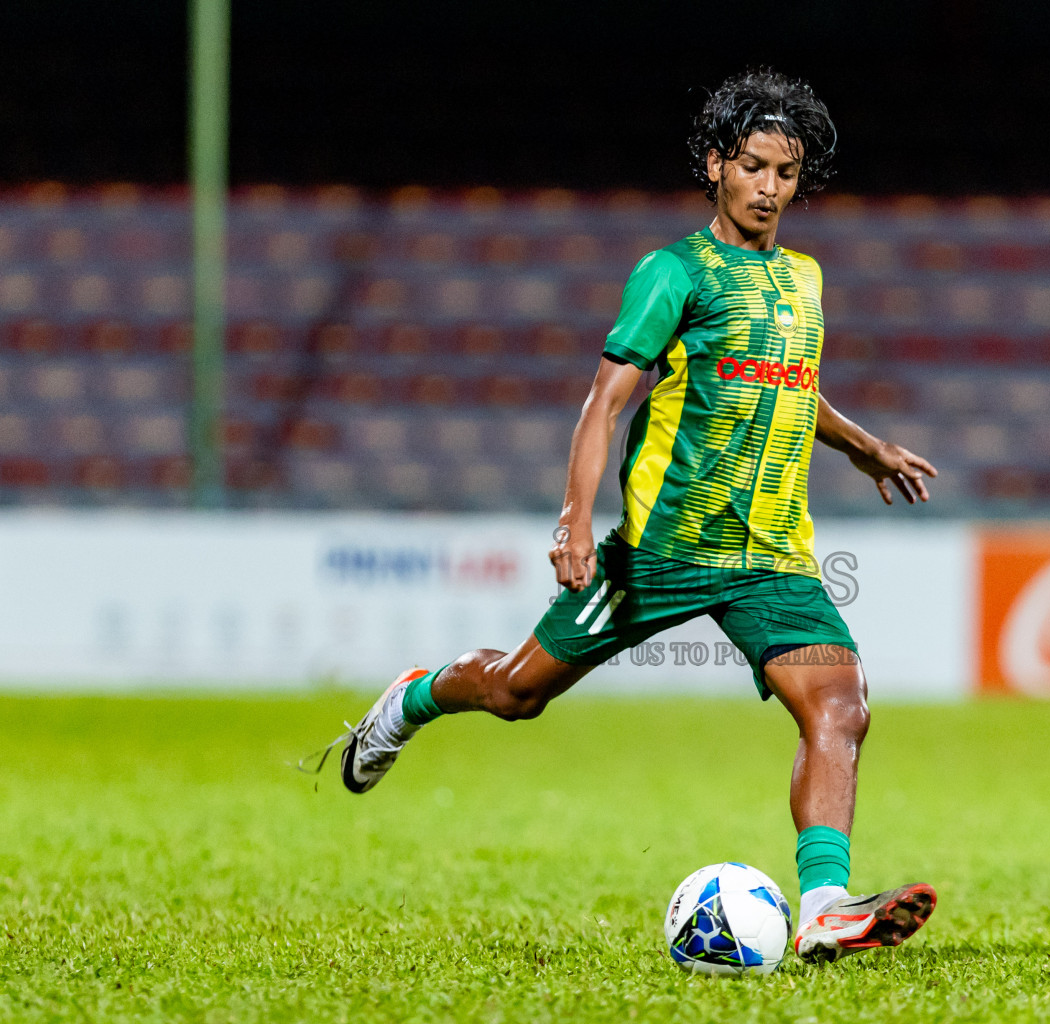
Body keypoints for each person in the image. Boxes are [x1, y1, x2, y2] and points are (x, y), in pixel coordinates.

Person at [328, 68, 938, 963]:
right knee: (515, 692)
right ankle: (412, 699)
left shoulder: (804, 280)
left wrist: (865, 446)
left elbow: (794, 389)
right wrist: (575, 520)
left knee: (841, 706)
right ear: (716, 164)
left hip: (772, 553)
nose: (771, 188)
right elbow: (604, 405)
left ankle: (824, 906)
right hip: (659, 550)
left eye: (788, 172)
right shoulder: (674, 273)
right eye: (756, 167)